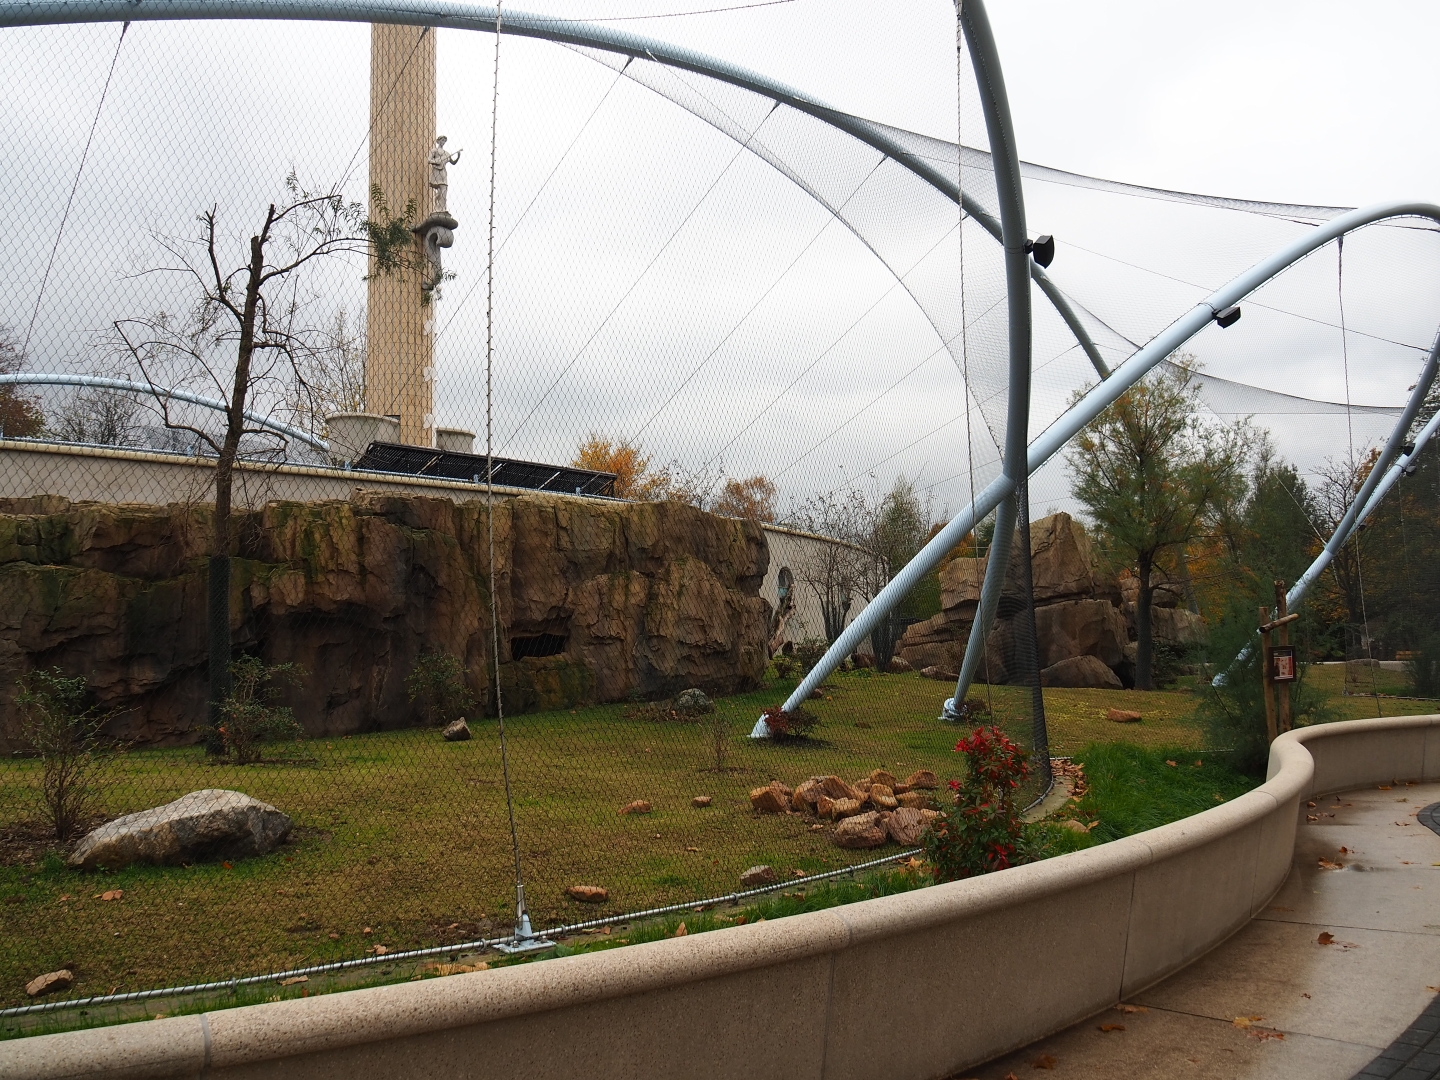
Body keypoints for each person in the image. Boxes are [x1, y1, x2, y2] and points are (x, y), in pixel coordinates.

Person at [427, 135, 462, 214]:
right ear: (438, 141)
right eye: (442, 140)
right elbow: (429, 160)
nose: (443, 142)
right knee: (440, 190)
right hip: (436, 171)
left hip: (443, 172)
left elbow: (453, 162)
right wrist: (436, 161)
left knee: (444, 189)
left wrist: (458, 156)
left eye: (444, 141)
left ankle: (441, 208)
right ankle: (437, 206)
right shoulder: (434, 150)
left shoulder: (447, 154)